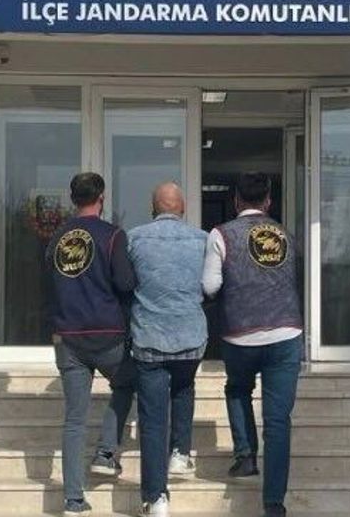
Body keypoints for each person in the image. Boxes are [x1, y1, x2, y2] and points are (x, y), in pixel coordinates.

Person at [203, 172, 303, 517]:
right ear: (268, 201)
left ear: (236, 201)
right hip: (286, 333)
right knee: (278, 421)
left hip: (241, 334)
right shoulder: (286, 234)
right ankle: (273, 503)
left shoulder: (221, 234)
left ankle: (246, 456)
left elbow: (210, 285)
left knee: (237, 389)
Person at [46, 172, 137, 517]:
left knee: (74, 419)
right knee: (127, 383)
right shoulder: (112, 235)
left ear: (73, 199)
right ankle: (106, 452)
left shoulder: (57, 238)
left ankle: (73, 500)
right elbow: (125, 283)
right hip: (107, 334)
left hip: (68, 337)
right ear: (101, 198)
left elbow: (51, 283)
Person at [126, 183, 210, 517]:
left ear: (153, 208)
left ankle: (156, 498)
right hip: (190, 335)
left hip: (149, 336)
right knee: (184, 387)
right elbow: (212, 285)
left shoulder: (134, 238)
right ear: (183, 207)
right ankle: (180, 452)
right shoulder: (202, 240)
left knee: (151, 419)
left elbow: (124, 283)